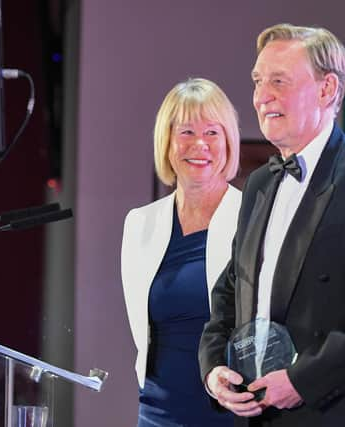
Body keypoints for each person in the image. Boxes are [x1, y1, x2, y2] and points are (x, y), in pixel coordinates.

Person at [199, 24, 345, 426]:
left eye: (279, 82)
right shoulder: (259, 183)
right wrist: (214, 367)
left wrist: (304, 379)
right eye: (258, 82)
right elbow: (232, 290)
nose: (261, 96)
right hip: (263, 413)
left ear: (326, 90)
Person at [121, 78, 240, 426]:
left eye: (212, 133)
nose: (199, 144)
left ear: (229, 141)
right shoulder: (139, 223)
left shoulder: (254, 218)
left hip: (233, 411)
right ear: (167, 142)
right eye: (186, 131)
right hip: (158, 412)